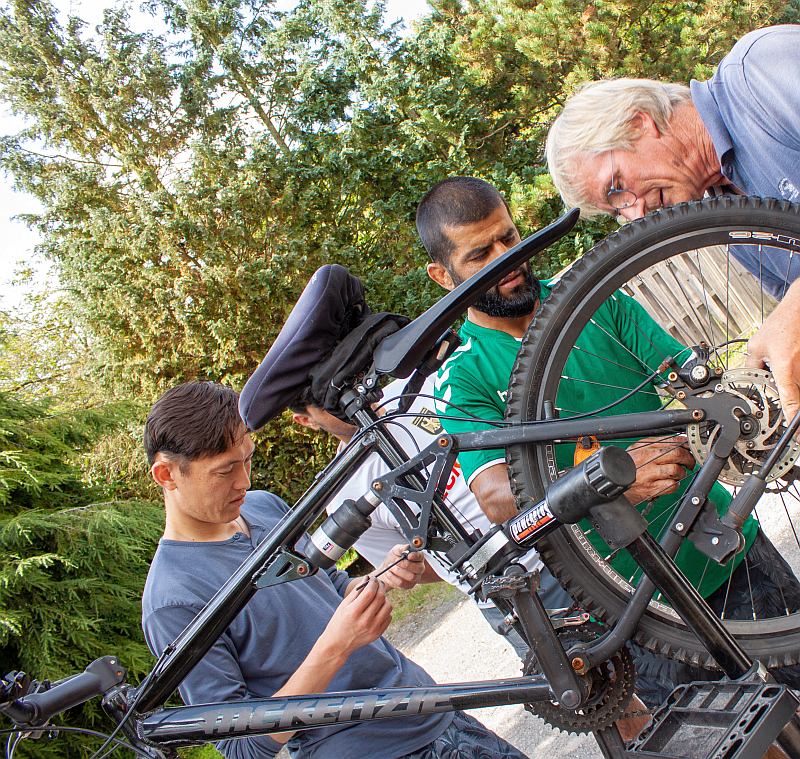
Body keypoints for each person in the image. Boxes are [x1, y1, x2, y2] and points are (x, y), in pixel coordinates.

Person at [417, 175, 800, 704]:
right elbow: (499, 498)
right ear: (443, 275)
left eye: (510, 238)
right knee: (749, 736)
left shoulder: (595, 298)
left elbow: (696, 385)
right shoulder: (463, 378)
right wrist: (609, 484)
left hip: (727, 543)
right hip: (635, 599)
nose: (508, 259)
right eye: (480, 254)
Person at [140, 380, 528, 759]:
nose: (245, 480)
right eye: (225, 471)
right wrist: (337, 646)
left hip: (429, 707)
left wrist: (380, 578)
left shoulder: (261, 507)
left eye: (248, 459)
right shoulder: (173, 599)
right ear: (166, 474)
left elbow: (329, 585)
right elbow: (242, 746)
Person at [544, 25, 800, 425]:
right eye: (617, 212)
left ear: (640, 123)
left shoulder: (762, 71)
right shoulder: (727, 214)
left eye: (617, 189)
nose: (636, 214)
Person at [289, 374, 574, 658]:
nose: (349, 400)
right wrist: (407, 566)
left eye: (346, 382)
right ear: (306, 420)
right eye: (328, 404)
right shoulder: (344, 498)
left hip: (567, 534)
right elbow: (418, 566)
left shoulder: (420, 388)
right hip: (512, 595)